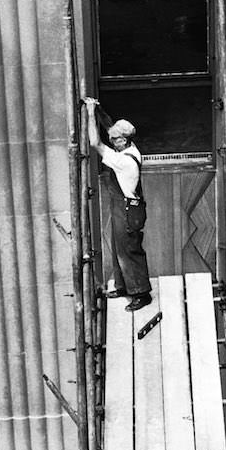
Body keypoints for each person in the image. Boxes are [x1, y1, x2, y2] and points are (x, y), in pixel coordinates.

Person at [83, 97, 153, 311]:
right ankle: (124, 286)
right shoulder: (126, 144)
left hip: (128, 209)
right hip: (123, 206)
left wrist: (88, 114)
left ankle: (141, 293)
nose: (111, 140)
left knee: (129, 251)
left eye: (115, 139)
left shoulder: (124, 161)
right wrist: (97, 108)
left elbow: (95, 143)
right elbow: (108, 125)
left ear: (124, 140)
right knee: (118, 248)